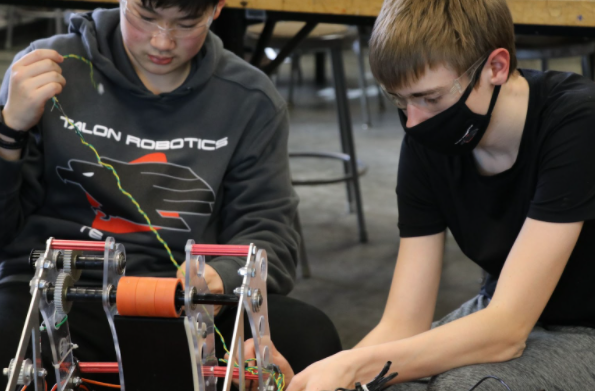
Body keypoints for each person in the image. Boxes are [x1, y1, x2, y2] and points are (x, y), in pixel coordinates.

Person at [0, 0, 341, 388]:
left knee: (310, 337)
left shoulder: (250, 99)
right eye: (145, 19)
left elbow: (272, 237)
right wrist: (9, 131)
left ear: (216, 10)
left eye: (185, 23)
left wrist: (221, 278)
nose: (162, 42)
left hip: (186, 305)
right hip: (63, 295)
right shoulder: (46, 71)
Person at [286, 0, 595, 390]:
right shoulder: (429, 140)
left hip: (580, 328)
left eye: (429, 98)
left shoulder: (577, 123)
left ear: (495, 67)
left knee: (461, 386)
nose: (413, 121)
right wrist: (325, 376)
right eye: (400, 100)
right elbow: (403, 322)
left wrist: (353, 367)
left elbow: (506, 330)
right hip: (501, 311)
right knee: (386, 382)